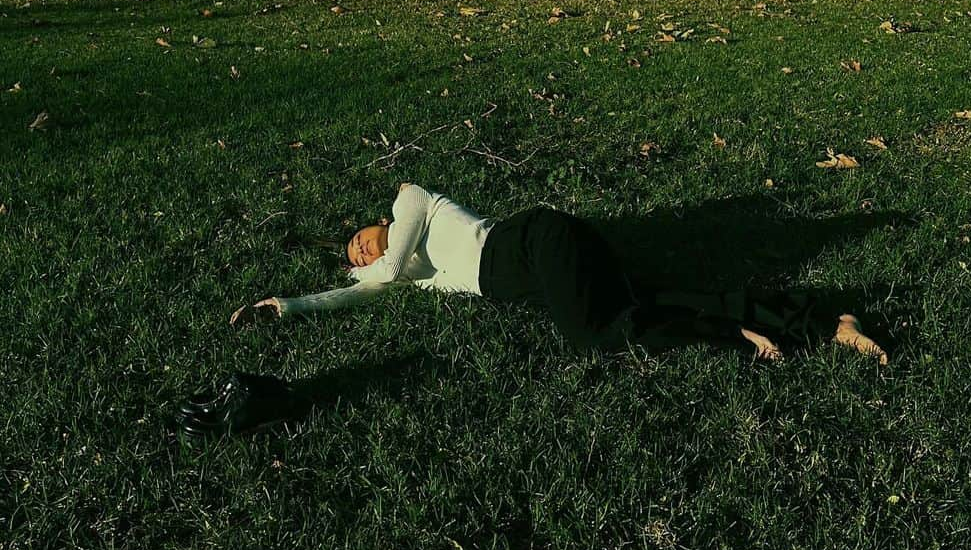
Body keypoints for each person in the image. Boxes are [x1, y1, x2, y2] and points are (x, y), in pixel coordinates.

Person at [228, 181, 887, 364]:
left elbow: (388, 270)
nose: (365, 255)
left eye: (359, 242)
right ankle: (828, 320)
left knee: (597, 334)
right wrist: (289, 305)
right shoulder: (391, 273)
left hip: (532, 242)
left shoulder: (409, 202)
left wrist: (371, 273)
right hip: (545, 271)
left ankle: (731, 335)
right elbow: (355, 296)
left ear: (371, 221)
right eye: (357, 260)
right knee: (650, 296)